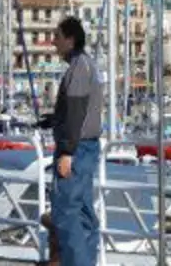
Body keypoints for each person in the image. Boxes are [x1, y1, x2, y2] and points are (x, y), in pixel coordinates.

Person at [36, 16, 103, 266]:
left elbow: (76, 112)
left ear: (70, 39)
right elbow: (79, 111)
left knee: (65, 212)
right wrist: (53, 120)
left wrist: (66, 152)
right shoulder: (86, 65)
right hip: (86, 147)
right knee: (84, 212)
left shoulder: (78, 68)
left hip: (77, 149)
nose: (53, 42)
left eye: (57, 36)